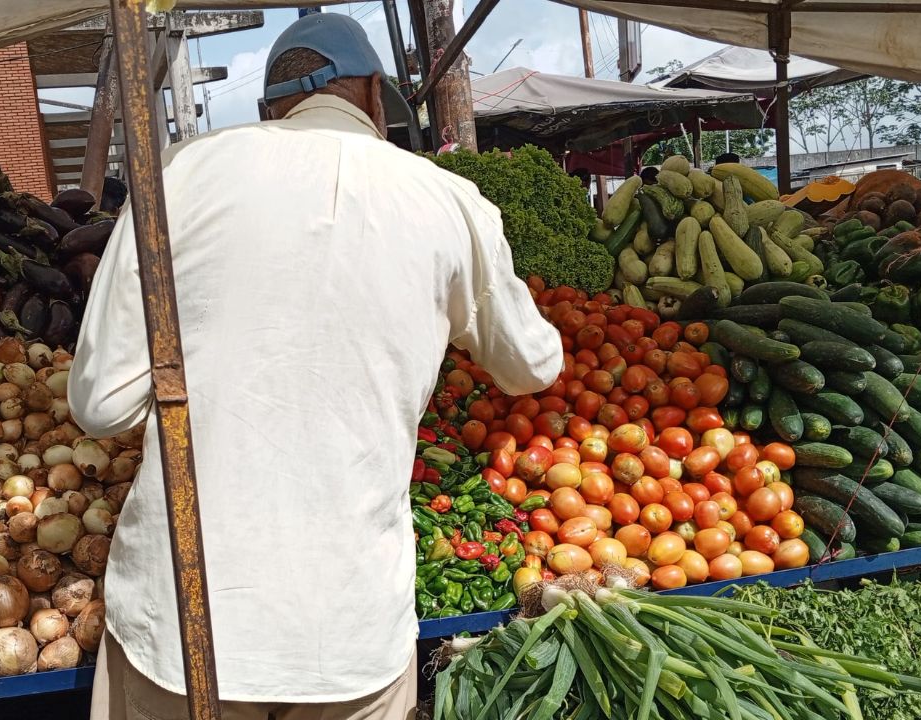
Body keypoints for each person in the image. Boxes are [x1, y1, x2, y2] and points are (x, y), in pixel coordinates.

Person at [69, 13, 562, 720]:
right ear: (373, 93)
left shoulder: (181, 173)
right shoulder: (449, 200)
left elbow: (100, 404)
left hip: (186, 624)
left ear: (271, 107)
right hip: (350, 633)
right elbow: (532, 365)